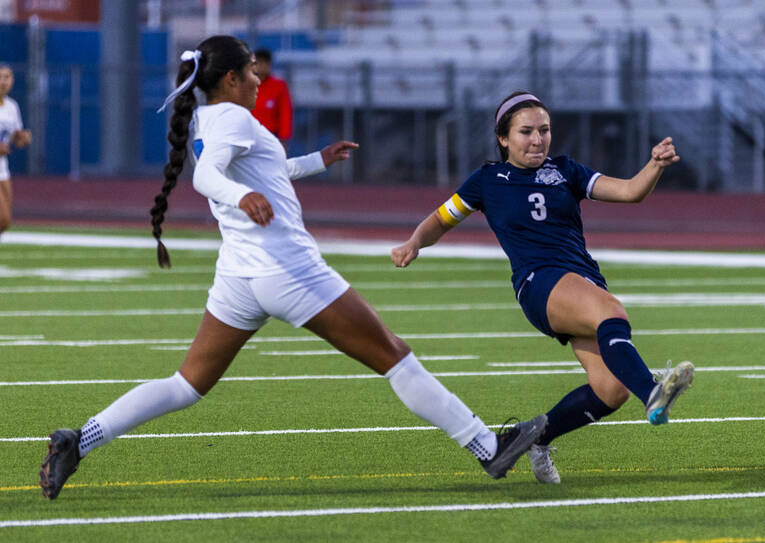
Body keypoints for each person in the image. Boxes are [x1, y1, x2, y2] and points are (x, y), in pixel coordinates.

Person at [38, 36, 544, 500]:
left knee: (185, 385)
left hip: (239, 276)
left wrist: (317, 161)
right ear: (231, 79)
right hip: (287, 270)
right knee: (394, 356)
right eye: (253, 73)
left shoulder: (207, 118)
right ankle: (486, 446)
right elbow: (212, 177)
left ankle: (79, 440)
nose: (260, 80)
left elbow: (262, 167)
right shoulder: (233, 119)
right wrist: (245, 195)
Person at [391, 91, 695, 484]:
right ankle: (653, 391)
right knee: (611, 312)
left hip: (581, 280)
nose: (537, 139)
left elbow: (630, 192)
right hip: (539, 282)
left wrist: (654, 165)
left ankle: (537, 440)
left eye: (544, 130)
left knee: (610, 389)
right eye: (526, 132)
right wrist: (416, 241)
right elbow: (441, 219)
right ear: (503, 139)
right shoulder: (487, 180)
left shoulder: (566, 170)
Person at [0, 63, 32, 235]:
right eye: (0, 77)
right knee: (2, 217)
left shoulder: (12, 107)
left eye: (7, 77)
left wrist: (23, 139)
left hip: (3, 169)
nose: (3, 81)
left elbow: (14, 138)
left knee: (5, 223)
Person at [251, 48, 292, 145]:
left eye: (265, 63)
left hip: (271, 136)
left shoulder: (279, 86)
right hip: (249, 136)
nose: (262, 67)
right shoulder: (247, 84)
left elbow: (285, 113)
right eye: (259, 63)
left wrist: (284, 139)